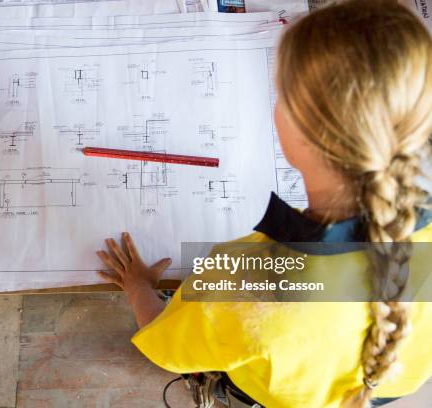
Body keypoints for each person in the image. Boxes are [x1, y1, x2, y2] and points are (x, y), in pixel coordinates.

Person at [96, 1, 432, 407]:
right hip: (381, 386)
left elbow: (167, 349)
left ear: (305, 134)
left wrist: (138, 287)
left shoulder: (251, 279)